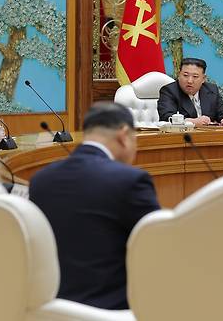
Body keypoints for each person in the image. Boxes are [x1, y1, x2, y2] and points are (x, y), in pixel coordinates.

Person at [29, 102, 160, 310]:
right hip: (113, 310)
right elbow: (158, 248)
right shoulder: (131, 180)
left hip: (52, 309)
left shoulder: (40, 180)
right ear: (124, 135)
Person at [157, 57, 223, 127]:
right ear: (179, 75)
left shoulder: (211, 90)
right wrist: (192, 122)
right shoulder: (169, 91)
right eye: (185, 75)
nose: (190, 81)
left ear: (203, 78)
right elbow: (166, 117)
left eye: (195, 76)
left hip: (209, 136)